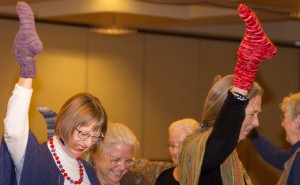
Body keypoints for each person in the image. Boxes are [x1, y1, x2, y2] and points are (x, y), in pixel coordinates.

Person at [0, 1, 107, 185]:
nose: (88, 143)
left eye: (94, 136)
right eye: (82, 133)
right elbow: (15, 130)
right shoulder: (37, 159)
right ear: (66, 122)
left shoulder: (88, 171)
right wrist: (27, 70)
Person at [177, 3, 277, 185]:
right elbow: (222, 139)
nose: (256, 123)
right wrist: (247, 66)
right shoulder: (199, 149)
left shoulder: (230, 158)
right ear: (227, 111)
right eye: (252, 114)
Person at [251, 93, 300, 184]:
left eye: (284, 117)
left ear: (298, 121)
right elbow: (274, 155)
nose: (282, 124)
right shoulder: (295, 157)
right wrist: (249, 127)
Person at [87, 122, 152, 185]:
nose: (122, 167)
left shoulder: (137, 181)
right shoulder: (81, 180)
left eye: (128, 160)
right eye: (115, 160)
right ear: (96, 156)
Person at [155, 118, 199, 185]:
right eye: (172, 145)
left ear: (196, 146)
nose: (174, 152)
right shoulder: (163, 178)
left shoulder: (207, 178)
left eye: (181, 145)